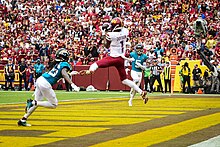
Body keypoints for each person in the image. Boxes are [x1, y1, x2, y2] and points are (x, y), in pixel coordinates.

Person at [79, 17, 148, 104]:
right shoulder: (125, 31)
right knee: (124, 80)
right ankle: (141, 92)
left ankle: (91, 71)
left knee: (95, 64)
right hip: (121, 58)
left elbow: (106, 46)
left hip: (113, 57)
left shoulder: (111, 35)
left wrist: (104, 33)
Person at [17, 48, 80, 126]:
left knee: (37, 102)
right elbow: (63, 73)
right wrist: (72, 84)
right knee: (53, 104)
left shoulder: (58, 64)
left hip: (41, 79)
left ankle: (23, 119)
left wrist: (70, 74)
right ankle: (32, 102)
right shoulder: (64, 64)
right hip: (46, 83)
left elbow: (60, 74)